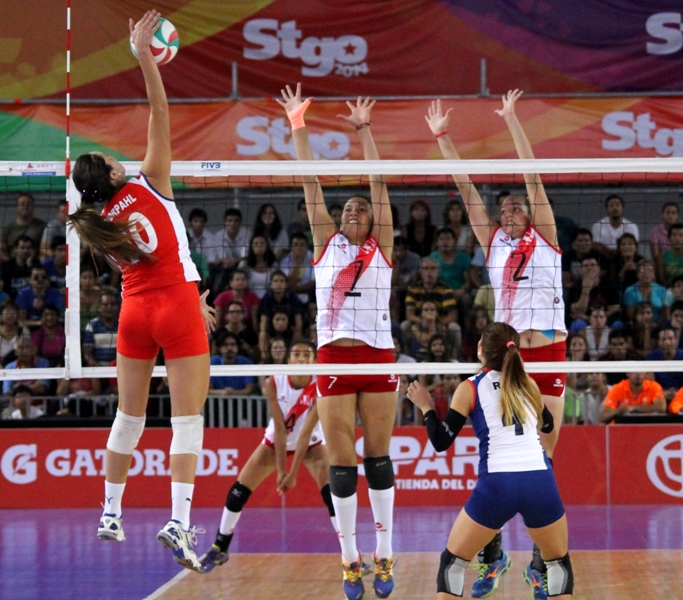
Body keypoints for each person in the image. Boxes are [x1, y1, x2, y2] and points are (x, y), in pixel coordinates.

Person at [68, 11, 215, 572]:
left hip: (135, 312)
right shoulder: (150, 179)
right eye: (108, 156)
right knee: (187, 422)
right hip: (176, 305)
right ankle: (178, 522)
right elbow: (160, 111)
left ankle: (110, 512)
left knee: (127, 419)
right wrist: (144, 57)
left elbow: (145, 261)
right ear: (111, 171)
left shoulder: (95, 220)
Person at [426, 90, 568, 597]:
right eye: (503, 207)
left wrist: (512, 120)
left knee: (541, 461)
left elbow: (533, 175)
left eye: (516, 207)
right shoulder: (494, 243)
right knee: (497, 454)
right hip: (509, 357)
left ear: (528, 213)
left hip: (548, 353)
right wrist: (443, 137)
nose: (508, 210)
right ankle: (491, 552)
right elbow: (466, 190)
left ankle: (538, 562)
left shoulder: (546, 236)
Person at [278, 86, 398, 600]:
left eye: (359, 210)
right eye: (346, 208)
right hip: (332, 357)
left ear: (370, 221)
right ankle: (350, 560)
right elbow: (309, 183)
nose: (352, 211)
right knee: (341, 468)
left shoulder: (381, 244)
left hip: (376, 357)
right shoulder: (327, 243)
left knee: (378, 459)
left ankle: (385, 555)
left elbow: (378, 185)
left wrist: (364, 130)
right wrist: (296, 124)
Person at [405, 322, 572, 600]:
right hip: (540, 482)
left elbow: (441, 442)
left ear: (480, 350)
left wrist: (426, 407)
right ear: (514, 351)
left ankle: (494, 560)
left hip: (498, 485)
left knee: (454, 563)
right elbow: (547, 425)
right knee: (558, 564)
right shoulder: (528, 384)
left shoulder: (470, 388)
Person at [200, 340, 337, 572]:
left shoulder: (320, 384)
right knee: (237, 493)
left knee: (334, 496)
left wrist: (292, 474)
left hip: (312, 444)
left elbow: (304, 434)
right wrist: (281, 470)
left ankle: (352, 555)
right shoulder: (273, 381)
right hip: (275, 442)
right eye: (296, 354)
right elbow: (281, 429)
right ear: (288, 359)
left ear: (313, 360)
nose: (301, 359)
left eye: (306, 355)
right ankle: (220, 547)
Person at [599, 372, 666, 423]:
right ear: (628, 373)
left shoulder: (653, 386)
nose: (637, 374)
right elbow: (603, 417)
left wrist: (633, 408)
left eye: (640, 371)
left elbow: (661, 407)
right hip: (621, 430)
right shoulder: (617, 388)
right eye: (634, 370)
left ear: (646, 373)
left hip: (647, 428)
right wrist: (617, 411)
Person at [208, 332, 256, 396]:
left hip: (242, 401)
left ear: (238, 348)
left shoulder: (246, 362)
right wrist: (222, 392)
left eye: (233, 344)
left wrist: (234, 393)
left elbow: (249, 389)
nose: (229, 348)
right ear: (219, 348)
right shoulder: (212, 362)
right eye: (225, 345)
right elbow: (207, 390)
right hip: (217, 401)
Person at [1, 193, 46, 260]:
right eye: (22, 204)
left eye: (28, 204)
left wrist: (38, 263)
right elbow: (2, 250)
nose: (25, 206)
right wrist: (10, 263)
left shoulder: (42, 226)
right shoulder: (8, 228)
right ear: (17, 207)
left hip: (35, 265)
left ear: (33, 207)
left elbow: (46, 248)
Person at [646, 327, 683, 401]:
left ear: (676, 340)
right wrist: (663, 393)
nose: (667, 342)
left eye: (670, 338)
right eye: (663, 339)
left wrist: (678, 394)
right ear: (659, 342)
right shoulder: (651, 357)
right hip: (660, 396)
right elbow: (650, 384)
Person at [650, 202, 679, 281]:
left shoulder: (681, 231)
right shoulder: (655, 231)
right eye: (668, 212)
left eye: (673, 213)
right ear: (662, 215)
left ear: (677, 216)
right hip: (663, 265)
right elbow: (655, 256)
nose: (670, 215)